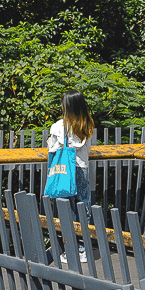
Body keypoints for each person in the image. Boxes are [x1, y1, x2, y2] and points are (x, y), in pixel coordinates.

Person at [47, 91, 95, 263]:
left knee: (65, 208)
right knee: (83, 207)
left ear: (66, 106)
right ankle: (84, 248)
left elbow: (52, 150)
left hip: (64, 170)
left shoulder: (58, 127)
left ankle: (70, 248)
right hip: (81, 169)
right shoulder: (87, 125)